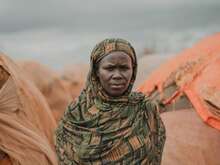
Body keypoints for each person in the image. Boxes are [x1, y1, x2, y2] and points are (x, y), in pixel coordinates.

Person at [55, 38, 166, 165]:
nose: (117, 75)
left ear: (133, 70)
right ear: (96, 71)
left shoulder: (145, 109)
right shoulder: (77, 113)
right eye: (110, 68)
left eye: (124, 68)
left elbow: (155, 153)